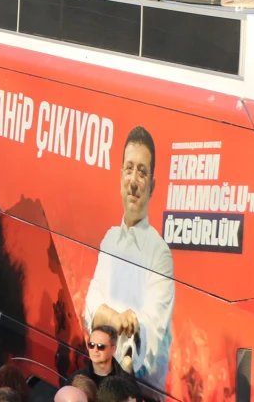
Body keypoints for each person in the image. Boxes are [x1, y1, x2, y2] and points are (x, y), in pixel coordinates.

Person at [83, 127, 173, 392]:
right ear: (121, 175)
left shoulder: (159, 253)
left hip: (135, 389)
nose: (134, 180)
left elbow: (152, 331)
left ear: (153, 186)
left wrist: (128, 338)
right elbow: (91, 304)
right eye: (129, 169)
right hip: (103, 375)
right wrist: (115, 317)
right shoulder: (110, 239)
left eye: (142, 172)